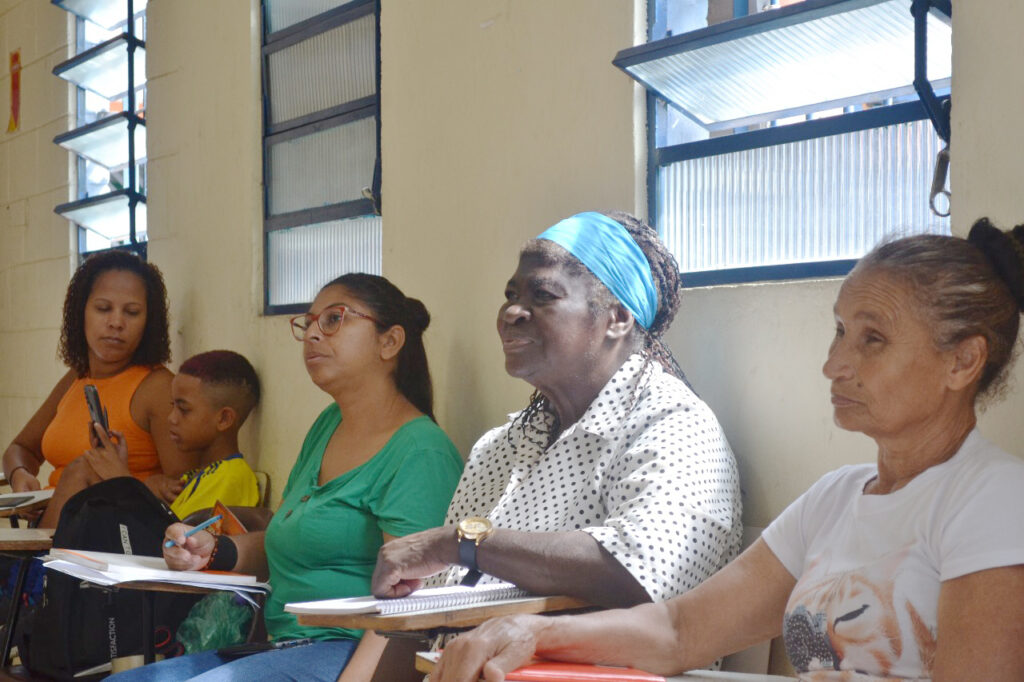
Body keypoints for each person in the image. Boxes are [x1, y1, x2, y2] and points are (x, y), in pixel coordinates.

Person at [431, 219, 1024, 682]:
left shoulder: (992, 502)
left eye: (873, 339)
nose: (834, 365)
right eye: (840, 331)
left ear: (963, 361)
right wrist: (529, 633)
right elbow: (679, 629)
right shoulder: (835, 499)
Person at [370, 212, 742, 675]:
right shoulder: (499, 448)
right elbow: (432, 615)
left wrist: (458, 542)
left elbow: (639, 572)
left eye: (542, 295)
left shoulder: (674, 424)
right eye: (510, 295)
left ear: (618, 318)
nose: (511, 312)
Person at [109, 273, 464, 682]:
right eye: (309, 322)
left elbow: (410, 606)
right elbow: (293, 539)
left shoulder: (420, 452)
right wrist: (213, 551)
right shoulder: (328, 425)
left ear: (390, 342)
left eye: (334, 319)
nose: (313, 334)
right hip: (284, 645)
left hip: (346, 653)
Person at [2, 250, 195, 528]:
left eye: (132, 312)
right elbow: (21, 448)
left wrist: (137, 485)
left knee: (84, 468)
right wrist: (20, 476)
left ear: (148, 322)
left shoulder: (157, 388)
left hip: (104, 542)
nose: (116, 322)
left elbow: (186, 486)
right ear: (81, 312)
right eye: (103, 308)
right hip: (47, 525)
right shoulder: (77, 378)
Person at [79, 349, 262, 520]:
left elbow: (174, 544)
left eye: (183, 409)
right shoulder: (191, 478)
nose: (171, 419)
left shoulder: (231, 477)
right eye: (172, 406)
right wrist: (142, 486)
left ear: (223, 419)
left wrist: (122, 480)